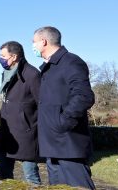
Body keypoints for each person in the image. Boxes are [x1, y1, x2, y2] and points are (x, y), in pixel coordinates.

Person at [33, 26, 95, 189]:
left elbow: (84, 96)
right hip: (53, 144)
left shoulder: (70, 62)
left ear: (43, 41)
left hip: (68, 143)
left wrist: (61, 122)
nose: (33, 47)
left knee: (78, 186)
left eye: (34, 42)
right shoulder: (50, 67)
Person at [0, 41, 41, 184]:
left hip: (26, 133)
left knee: (31, 176)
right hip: (7, 133)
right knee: (4, 174)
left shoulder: (32, 74)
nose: (0, 59)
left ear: (14, 56)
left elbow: (41, 103)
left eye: (3, 56)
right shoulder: (6, 73)